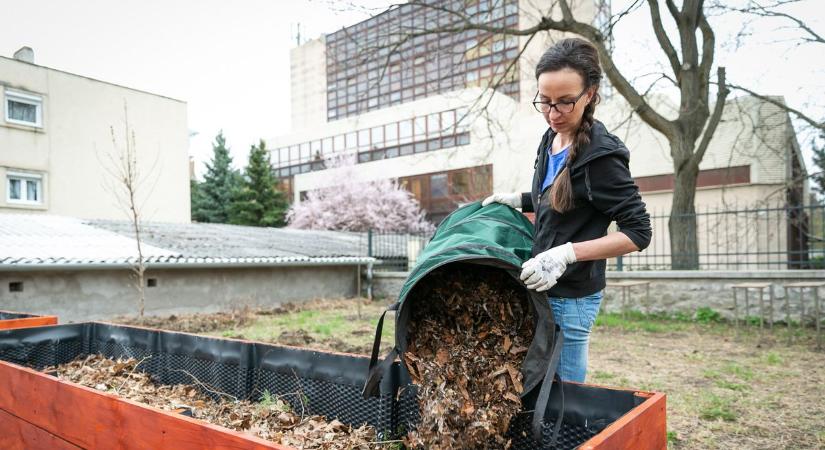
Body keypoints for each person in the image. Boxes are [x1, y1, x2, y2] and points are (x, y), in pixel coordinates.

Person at [483, 38, 651, 383]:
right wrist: (519, 199)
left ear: (590, 94)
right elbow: (562, 197)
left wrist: (566, 254)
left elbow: (638, 232)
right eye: (544, 102)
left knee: (563, 394)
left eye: (565, 102)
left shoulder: (602, 157)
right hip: (542, 286)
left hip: (572, 296)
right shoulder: (551, 137)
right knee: (537, 385)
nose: (552, 113)